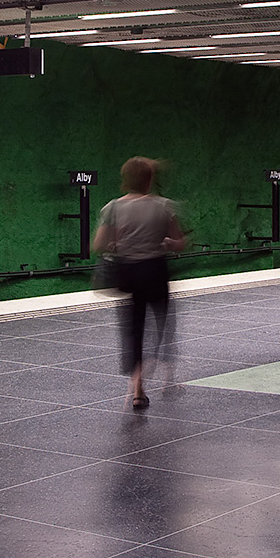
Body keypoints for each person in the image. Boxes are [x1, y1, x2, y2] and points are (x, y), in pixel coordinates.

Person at [93, 156, 185, 409]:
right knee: (163, 323)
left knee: (133, 330)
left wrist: (118, 243)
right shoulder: (165, 206)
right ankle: (168, 377)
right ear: (149, 180)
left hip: (128, 273)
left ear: (125, 180)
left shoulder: (112, 208)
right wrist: (166, 243)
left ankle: (137, 389)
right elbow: (179, 242)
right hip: (155, 271)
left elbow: (99, 244)